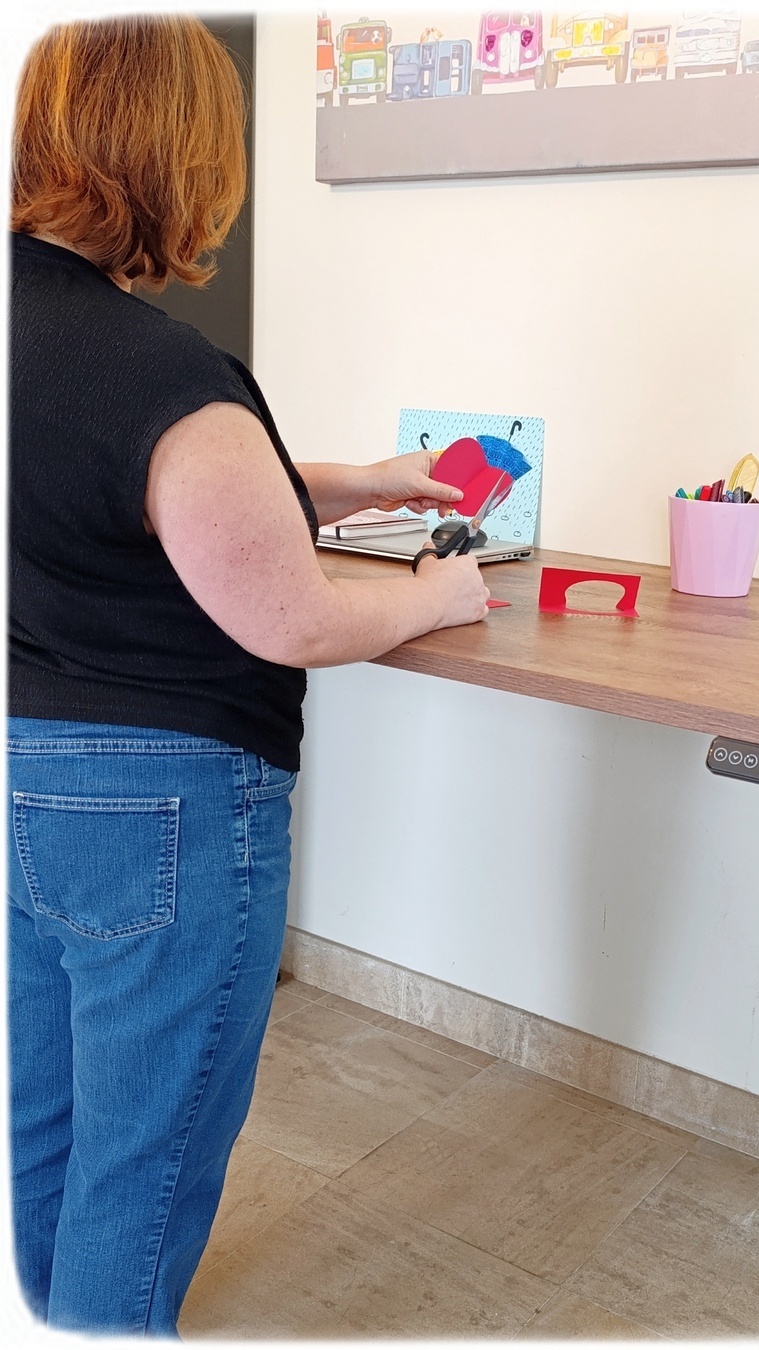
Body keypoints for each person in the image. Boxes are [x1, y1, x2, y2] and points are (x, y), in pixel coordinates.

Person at [7, 15, 489, 1336]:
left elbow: (134, 492)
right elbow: (292, 619)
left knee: (49, 1107)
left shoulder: (29, 331)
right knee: (143, 1163)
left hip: (29, 776)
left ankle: (56, 1307)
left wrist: (354, 477)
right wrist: (436, 592)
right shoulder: (162, 370)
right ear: (184, 158)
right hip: (166, 807)